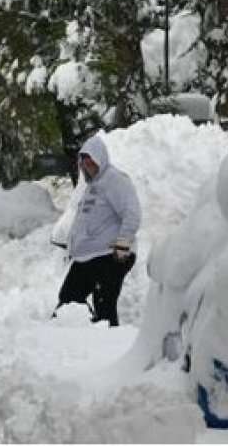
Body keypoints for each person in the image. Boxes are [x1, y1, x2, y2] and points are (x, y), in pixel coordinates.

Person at [53, 134, 141, 326]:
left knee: (104, 302)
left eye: (90, 161)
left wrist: (123, 245)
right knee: (68, 300)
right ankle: (72, 344)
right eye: (83, 162)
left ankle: (108, 345)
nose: (87, 166)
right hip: (88, 257)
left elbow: (132, 213)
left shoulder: (115, 180)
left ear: (100, 159)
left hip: (111, 255)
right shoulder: (91, 187)